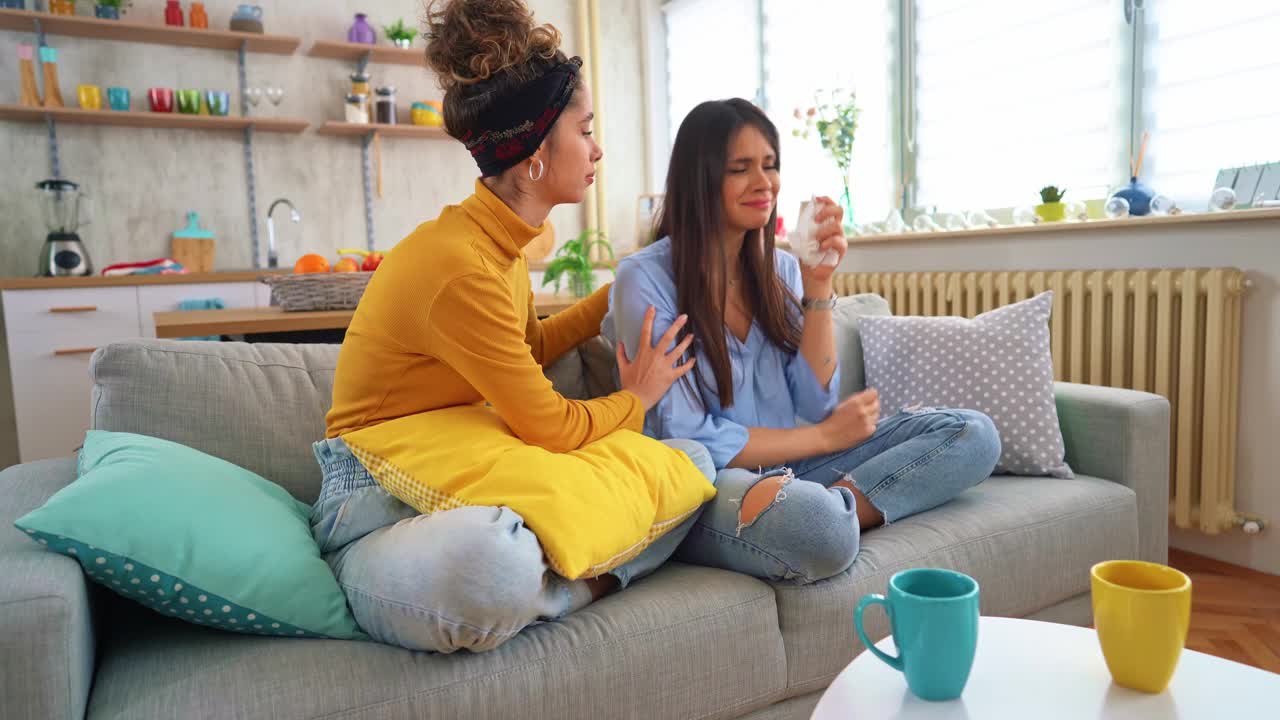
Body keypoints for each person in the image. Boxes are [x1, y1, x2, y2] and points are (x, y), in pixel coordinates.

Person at [310, 0, 714, 654]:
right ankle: (571, 581)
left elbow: (525, 354)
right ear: (534, 153)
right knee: (493, 562)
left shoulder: (499, 245)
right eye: (585, 130)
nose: (598, 148)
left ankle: (564, 583)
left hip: (462, 461)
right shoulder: (459, 264)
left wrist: (616, 295)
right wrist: (637, 399)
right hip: (377, 493)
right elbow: (549, 426)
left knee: (689, 464)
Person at [603, 99, 1002, 584]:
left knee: (972, 433)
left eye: (770, 166)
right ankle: (825, 514)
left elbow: (814, 401)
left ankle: (836, 508)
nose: (764, 182)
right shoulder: (644, 279)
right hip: (700, 490)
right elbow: (688, 437)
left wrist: (819, 287)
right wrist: (825, 438)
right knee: (819, 530)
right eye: (740, 168)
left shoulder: (784, 270)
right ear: (701, 178)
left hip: (795, 468)